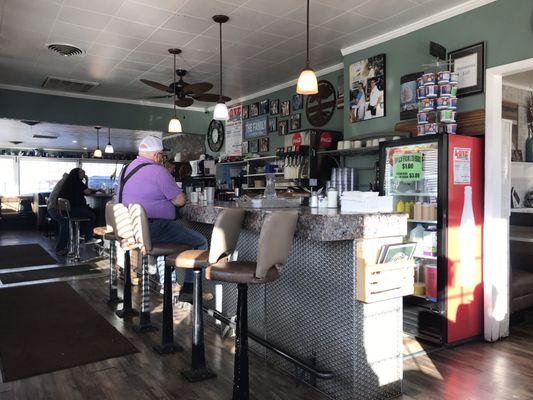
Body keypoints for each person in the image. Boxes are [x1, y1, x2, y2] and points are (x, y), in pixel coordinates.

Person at [118, 136, 207, 302]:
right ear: (157, 155)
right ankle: (189, 290)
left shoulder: (126, 169)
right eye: (162, 156)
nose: (162, 159)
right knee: (200, 242)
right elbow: (180, 200)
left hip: (130, 230)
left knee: (168, 240)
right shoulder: (158, 171)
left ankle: (167, 284)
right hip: (153, 229)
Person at [57, 168, 97, 245]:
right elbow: (87, 191)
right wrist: (87, 180)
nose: (84, 175)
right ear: (77, 174)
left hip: (65, 211)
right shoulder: (77, 182)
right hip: (72, 210)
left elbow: (84, 190)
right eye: (82, 173)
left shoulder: (69, 182)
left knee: (88, 211)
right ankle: (88, 238)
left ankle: (82, 235)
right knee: (92, 215)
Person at [47, 173, 69, 255]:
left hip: (52, 208)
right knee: (65, 222)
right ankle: (60, 248)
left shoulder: (63, 181)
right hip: (54, 208)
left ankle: (66, 245)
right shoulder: (67, 183)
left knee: (66, 222)